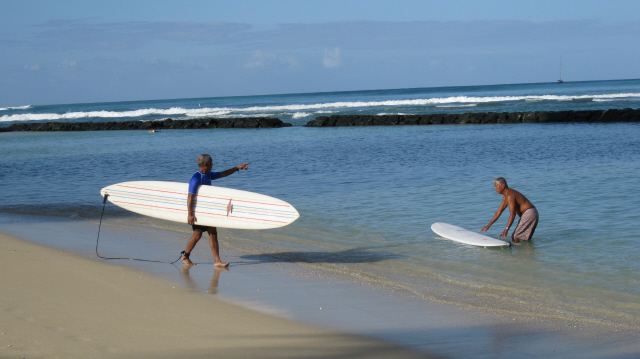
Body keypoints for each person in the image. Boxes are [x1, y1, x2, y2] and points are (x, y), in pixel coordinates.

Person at [181, 154, 250, 266]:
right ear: (206, 164)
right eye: (212, 163)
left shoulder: (208, 175)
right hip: (199, 212)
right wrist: (190, 214)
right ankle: (185, 256)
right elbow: (190, 197)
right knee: (197, 236)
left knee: (213, 234)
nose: (213, 165)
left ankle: (217, 261)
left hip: (208, 211)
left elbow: (223, 174)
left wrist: (237, 168)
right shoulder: (196, 178)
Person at [480, 177, 538, 243]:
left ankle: (516, 252)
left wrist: (506, 229)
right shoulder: (505, 198)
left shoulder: (510, 195)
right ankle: (526, 252)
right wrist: (488, 225)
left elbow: (512, 214)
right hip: (532, 213)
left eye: (496, 186)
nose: (495, 188)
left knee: (515, 236)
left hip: (529, 213)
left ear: (503, 185)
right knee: (524, 238)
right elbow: (498, 212)